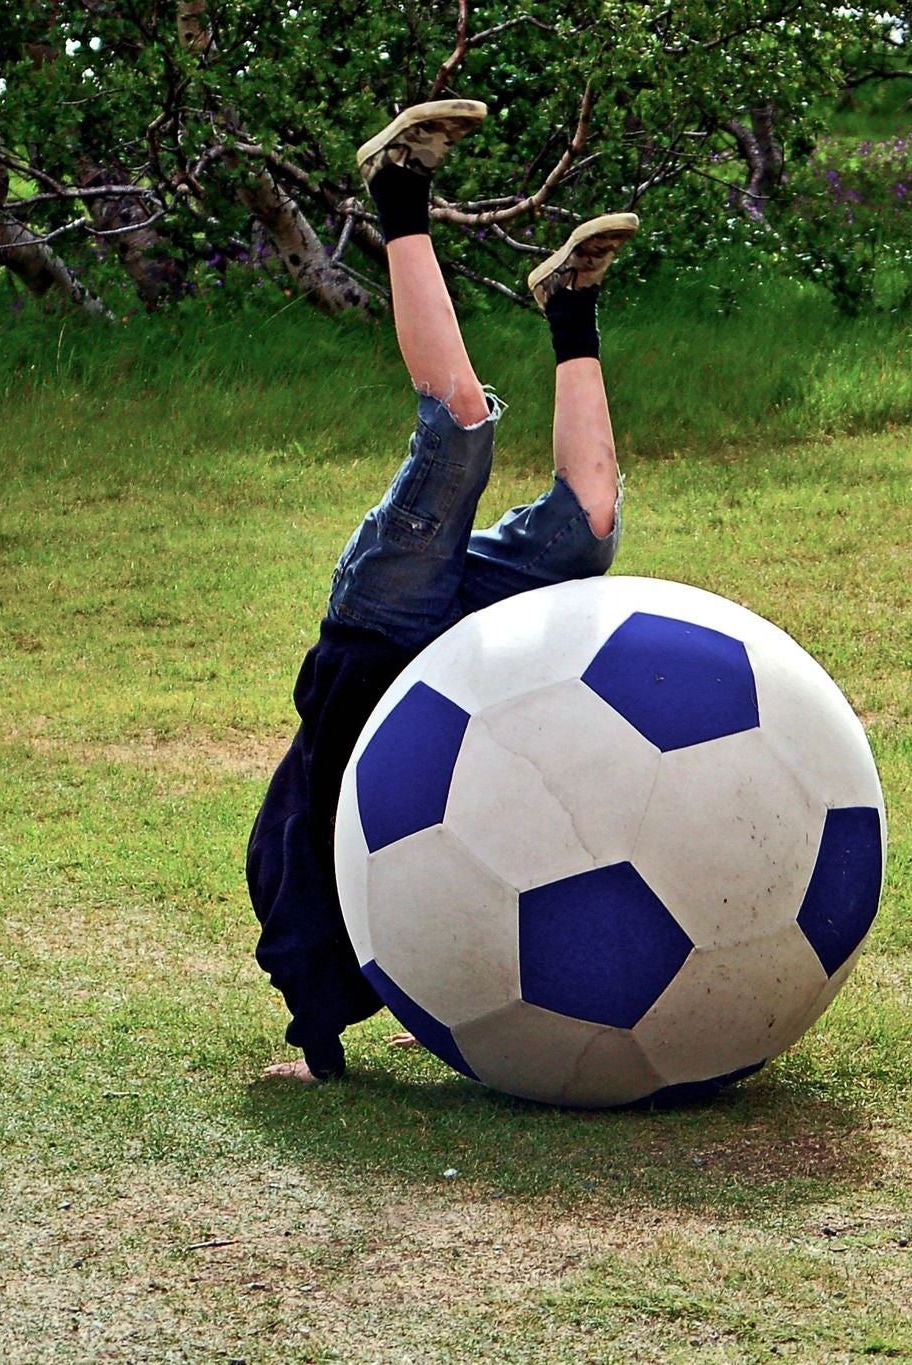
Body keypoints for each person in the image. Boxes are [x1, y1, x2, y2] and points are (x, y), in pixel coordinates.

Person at [247, 99, 639, 1082]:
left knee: (490, 451)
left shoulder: (306, 842)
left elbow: (310, 901)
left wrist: (322, 1044)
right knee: (561, 502)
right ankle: (547, 291)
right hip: (437, 642)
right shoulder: (374, 855)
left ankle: (417, 202)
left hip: (381, 617)